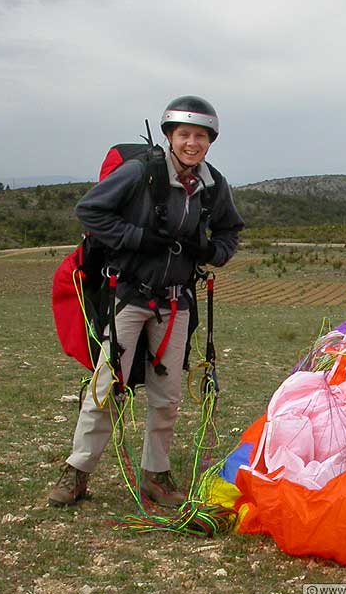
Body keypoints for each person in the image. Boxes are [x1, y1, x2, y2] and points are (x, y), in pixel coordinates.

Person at [49, 95, 244, 508]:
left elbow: (229, 233)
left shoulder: (213, 186)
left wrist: (210, 251)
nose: (193, 143)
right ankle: (78, 472)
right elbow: (90, 210)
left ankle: (156, 475)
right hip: (130, 297)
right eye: (185, 134)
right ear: (170, 136)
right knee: (106, 386)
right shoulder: (141, 173)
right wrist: (137, 239)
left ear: (211, 141)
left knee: (167, 395)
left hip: (177, 304)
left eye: (201, 137)